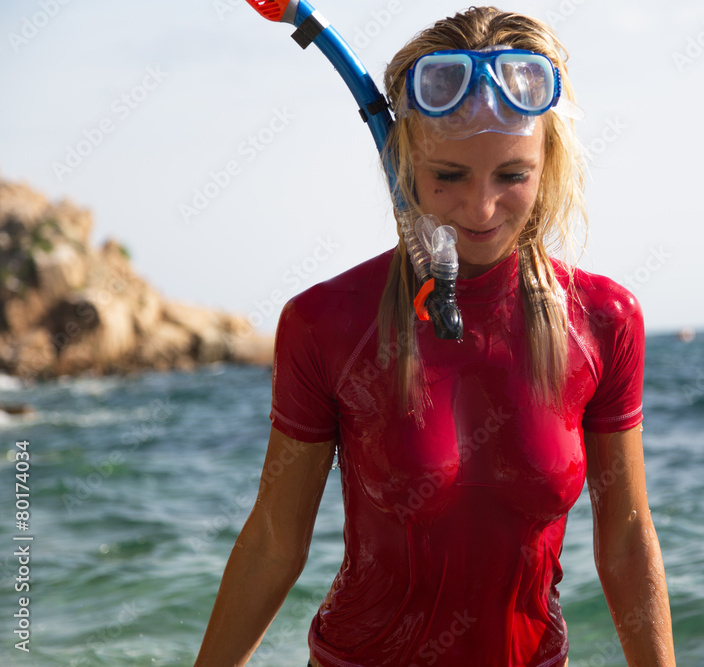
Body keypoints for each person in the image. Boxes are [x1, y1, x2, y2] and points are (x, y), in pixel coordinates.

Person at [194, 6, 675, 666]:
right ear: (404, 164)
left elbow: (624, 538)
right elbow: (276, 540)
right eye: (449, 175)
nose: (481, 209)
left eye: (512, 175)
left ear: (549, 164)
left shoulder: (603, 320)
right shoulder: (326, 322)